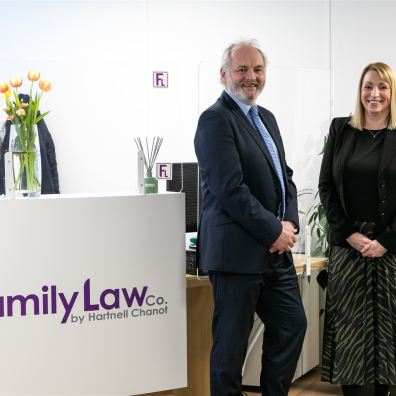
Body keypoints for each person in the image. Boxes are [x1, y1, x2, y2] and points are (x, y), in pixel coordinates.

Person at [194, 39, 307, 396]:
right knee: (229, 351)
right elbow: (230, 190)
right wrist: (274, 230)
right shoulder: (215, 120)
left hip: (274, 253)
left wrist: (288, 223)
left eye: (257, 70)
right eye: (242, 69)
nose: (251, 77)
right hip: (237, 256)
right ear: (224, 74)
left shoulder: (266, 118)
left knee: (291, 326)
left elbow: (283, 176)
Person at [319, 62, 396, 396]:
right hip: (348, 246)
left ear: (392, 93)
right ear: (359, 90)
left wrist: (386, 240)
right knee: (350, 328)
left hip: (390, 248)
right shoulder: (341, 130)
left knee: (388, 330)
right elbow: (326, 187)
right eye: (368, 86)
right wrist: (348, 233)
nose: (374, 94)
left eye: (382, 87)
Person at [0, 93, 60, 194]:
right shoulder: (10, 123)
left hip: (31, 189)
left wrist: (56, 193)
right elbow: (51, 157)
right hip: (27, 190)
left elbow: (50, 153)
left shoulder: (34, 122)